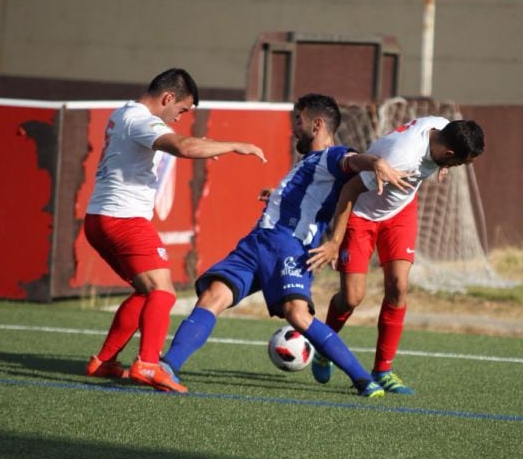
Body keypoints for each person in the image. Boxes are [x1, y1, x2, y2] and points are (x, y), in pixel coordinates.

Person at [161, 93, 412, 397]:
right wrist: (279, 198)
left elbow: (351, 160)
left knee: (297, 313)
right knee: (213, 295)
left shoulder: (331, 155)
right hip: (256, 242)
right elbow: (311, 196)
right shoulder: (309, 162)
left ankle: (363, 379)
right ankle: (168, 366)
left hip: (288, 246)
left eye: (299, 120)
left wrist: (376, 163)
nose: (294, 127)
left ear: (317, 124)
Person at [84, 68, 266, 393]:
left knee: (145, 291)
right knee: (163, 291)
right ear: (167, 98)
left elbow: (175, 146)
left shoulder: (123, 113)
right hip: (124, 219)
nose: (179, 118)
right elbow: (183, 147)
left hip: (99, 218)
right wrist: (235, 145)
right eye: (181, 109)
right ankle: (149, 364)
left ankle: (104, 361)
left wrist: (199, 144)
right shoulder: (140, 118)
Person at [306, 116, 485, 394]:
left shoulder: (442, 126)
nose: (454, 167)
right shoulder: (404, 157)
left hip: (400, 212)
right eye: (456, 163)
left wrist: (443, 167)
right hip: (362, 214)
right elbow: (350, 188)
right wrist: (335, 241)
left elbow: (443, 144)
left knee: (399, 287)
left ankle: (383, 370)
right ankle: (324, 346)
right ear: (448, 154)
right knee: (352, 297)